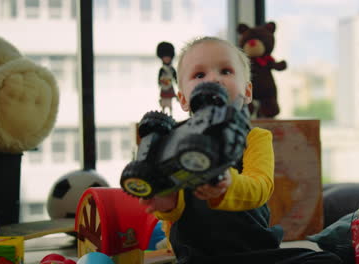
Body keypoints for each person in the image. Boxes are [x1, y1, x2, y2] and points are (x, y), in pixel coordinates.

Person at [140, 36, 342, 264]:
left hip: (257, 253)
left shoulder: (255, 138)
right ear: (183, 99)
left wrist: (227, 185)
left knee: (327, 260)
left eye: (225, 71)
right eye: (199, 75)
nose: (214, 79)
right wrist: (165, 201)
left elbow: (260, 187)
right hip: (197, 256)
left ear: (247, 92)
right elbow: (171, 212)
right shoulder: (173, 141)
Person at [156, 41, 178, 115]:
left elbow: (175, 77)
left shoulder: (172, 69)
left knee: (169, 102)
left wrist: (177, 82)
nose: (166, 59)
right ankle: (163, 113)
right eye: (165, 57)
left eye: (167, 57)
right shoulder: (162, 69)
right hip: (164, 87)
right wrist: (160, 83)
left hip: (169, 86)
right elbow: (159, 78)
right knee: (164, 102)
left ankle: (171, 114)